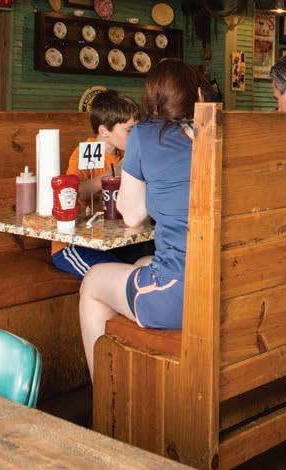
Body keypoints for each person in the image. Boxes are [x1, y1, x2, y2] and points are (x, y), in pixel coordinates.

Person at [78, 59, 204, 377]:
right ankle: (138, 379)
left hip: (181, 292)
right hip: (222, 282)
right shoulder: (216, 132)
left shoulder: (145, 135)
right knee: (141, 263)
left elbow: (132, 215)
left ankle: (103, 395)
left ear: (152, 99)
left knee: (93, 281)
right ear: (199, 95)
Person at [52, 90, 147, 280]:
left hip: (117, 242)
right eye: (129, 130)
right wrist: (115, 172)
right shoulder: (84, 153)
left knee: (148, 270)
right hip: (76, 244)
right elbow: (74, 192)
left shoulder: (125, 154)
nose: (136, 137)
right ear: (104, 131)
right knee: (123, 279)